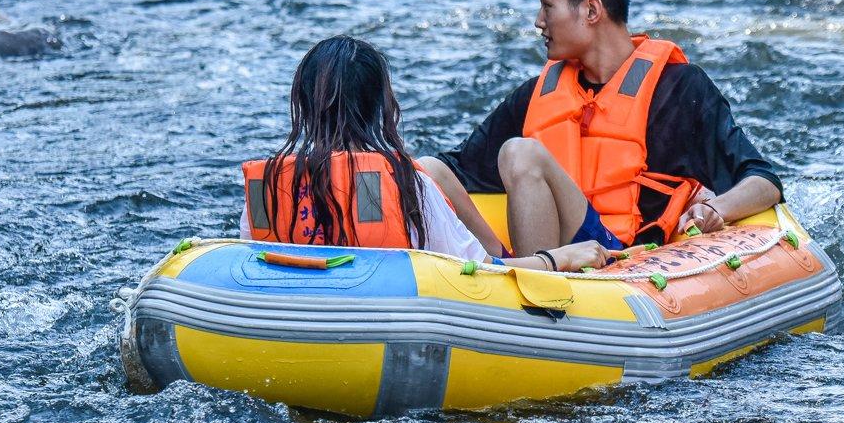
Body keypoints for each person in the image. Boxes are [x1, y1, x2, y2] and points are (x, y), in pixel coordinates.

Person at [422, 0, 782, 257]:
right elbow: (457, 169)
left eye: (547, 6)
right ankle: (518, 275)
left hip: (619, 258)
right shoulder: (535, 95)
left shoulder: (679, 89)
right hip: (550, 257)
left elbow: (763, 181)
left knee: (520, 152)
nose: (538, 22)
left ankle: (539, 294)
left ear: (592, 10)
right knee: (431, 169)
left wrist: (716, 209)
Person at [241, 36, 611, 273]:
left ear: (302, 106)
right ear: (381, 107)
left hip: (298, 321)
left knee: (433, 167)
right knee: (429, 171)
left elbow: (249, 261)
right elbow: (489, 272)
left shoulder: (269, 186)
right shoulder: (405, 184)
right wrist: (557, 257)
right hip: (392, 322)